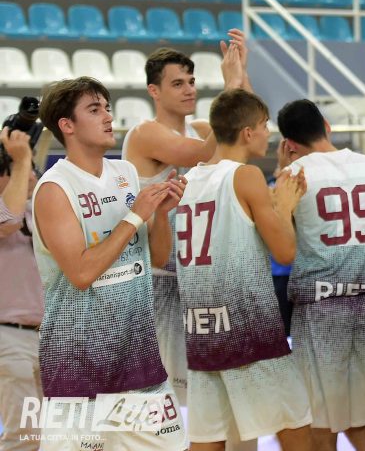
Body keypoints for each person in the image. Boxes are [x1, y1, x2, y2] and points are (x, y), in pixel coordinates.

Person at [32, 77, 187, 449]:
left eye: (107, 107)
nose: (107, 116)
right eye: (94, 109)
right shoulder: (55, 188)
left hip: (139, 360)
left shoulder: (125, 174)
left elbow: (157, 258)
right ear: (67, 125)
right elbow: (82, 273)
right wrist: (134, 216)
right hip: (78, 366)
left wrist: (160, 214)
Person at [175, 84, 313, 451]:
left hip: (201, 330)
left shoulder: (188, 180)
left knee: (208, 441)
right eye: (265, 125)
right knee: (298, 434)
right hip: (248, 328)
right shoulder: (245, 176)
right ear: (248, 132)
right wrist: (285, 205)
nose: (269, 133)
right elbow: (285, 252)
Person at [122, 30, 251, 405]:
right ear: (154, 91)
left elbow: (247, 133)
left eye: (192, 81)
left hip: (200, 277)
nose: (189, 89)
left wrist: (242, 76)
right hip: (159, 280)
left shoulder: (201, 129)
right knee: (162, 402)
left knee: (211, 399)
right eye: (177, 83)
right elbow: (204, 152)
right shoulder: (146, 133)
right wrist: (231, 86)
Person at [277, 99, 365, 451]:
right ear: (326, 125)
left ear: (289, 143)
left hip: (320, 309)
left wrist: (282, 171)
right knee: (361, 422)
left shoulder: (294, 175)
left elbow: (280, 243)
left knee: (319, 425)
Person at [0, 127, 43, 451]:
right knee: (24, 438)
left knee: (61, 437)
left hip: (51, 336)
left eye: (31, 170)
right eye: (17, 170)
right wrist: (22, 158)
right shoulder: (8, 216)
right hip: (9, 335)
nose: (29, 175)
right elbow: (8, 221)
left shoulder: (39, 212)